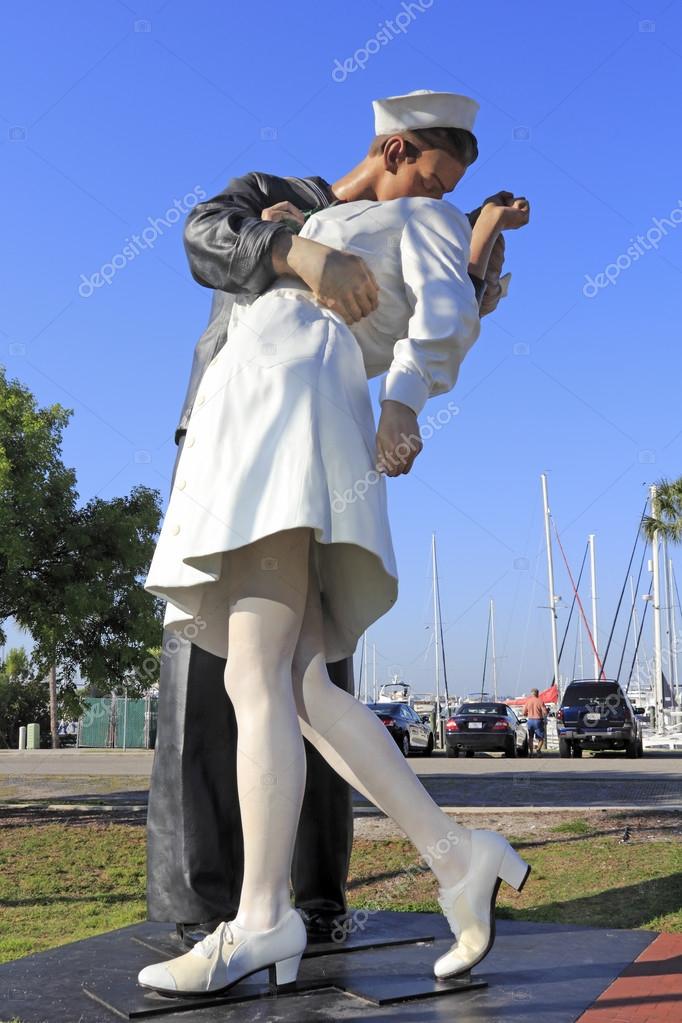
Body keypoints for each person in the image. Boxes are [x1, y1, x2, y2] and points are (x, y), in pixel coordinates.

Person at [139, 88, 531, 996]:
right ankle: (457, 855)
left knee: (256, 673)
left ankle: (264, 913)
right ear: (394, 149)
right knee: (303, 685)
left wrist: (403, 398)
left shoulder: (418, 215)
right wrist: (293, 240)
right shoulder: (315, 206)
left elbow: (445, 311)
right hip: (255, 418)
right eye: (431, 174)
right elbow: (211, 236)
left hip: (287, 417)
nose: (435, 196)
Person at [522, 688, 548, 756]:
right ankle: (538, 750)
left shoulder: (528, 701)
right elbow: (545, 712)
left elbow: (524, 713)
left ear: (531, 693)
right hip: (538, 720)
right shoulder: (540, 701)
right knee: (541, 738)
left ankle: (531, 753)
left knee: (530, 738)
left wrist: (528, 713)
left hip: (530, 720)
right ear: (537, 693)